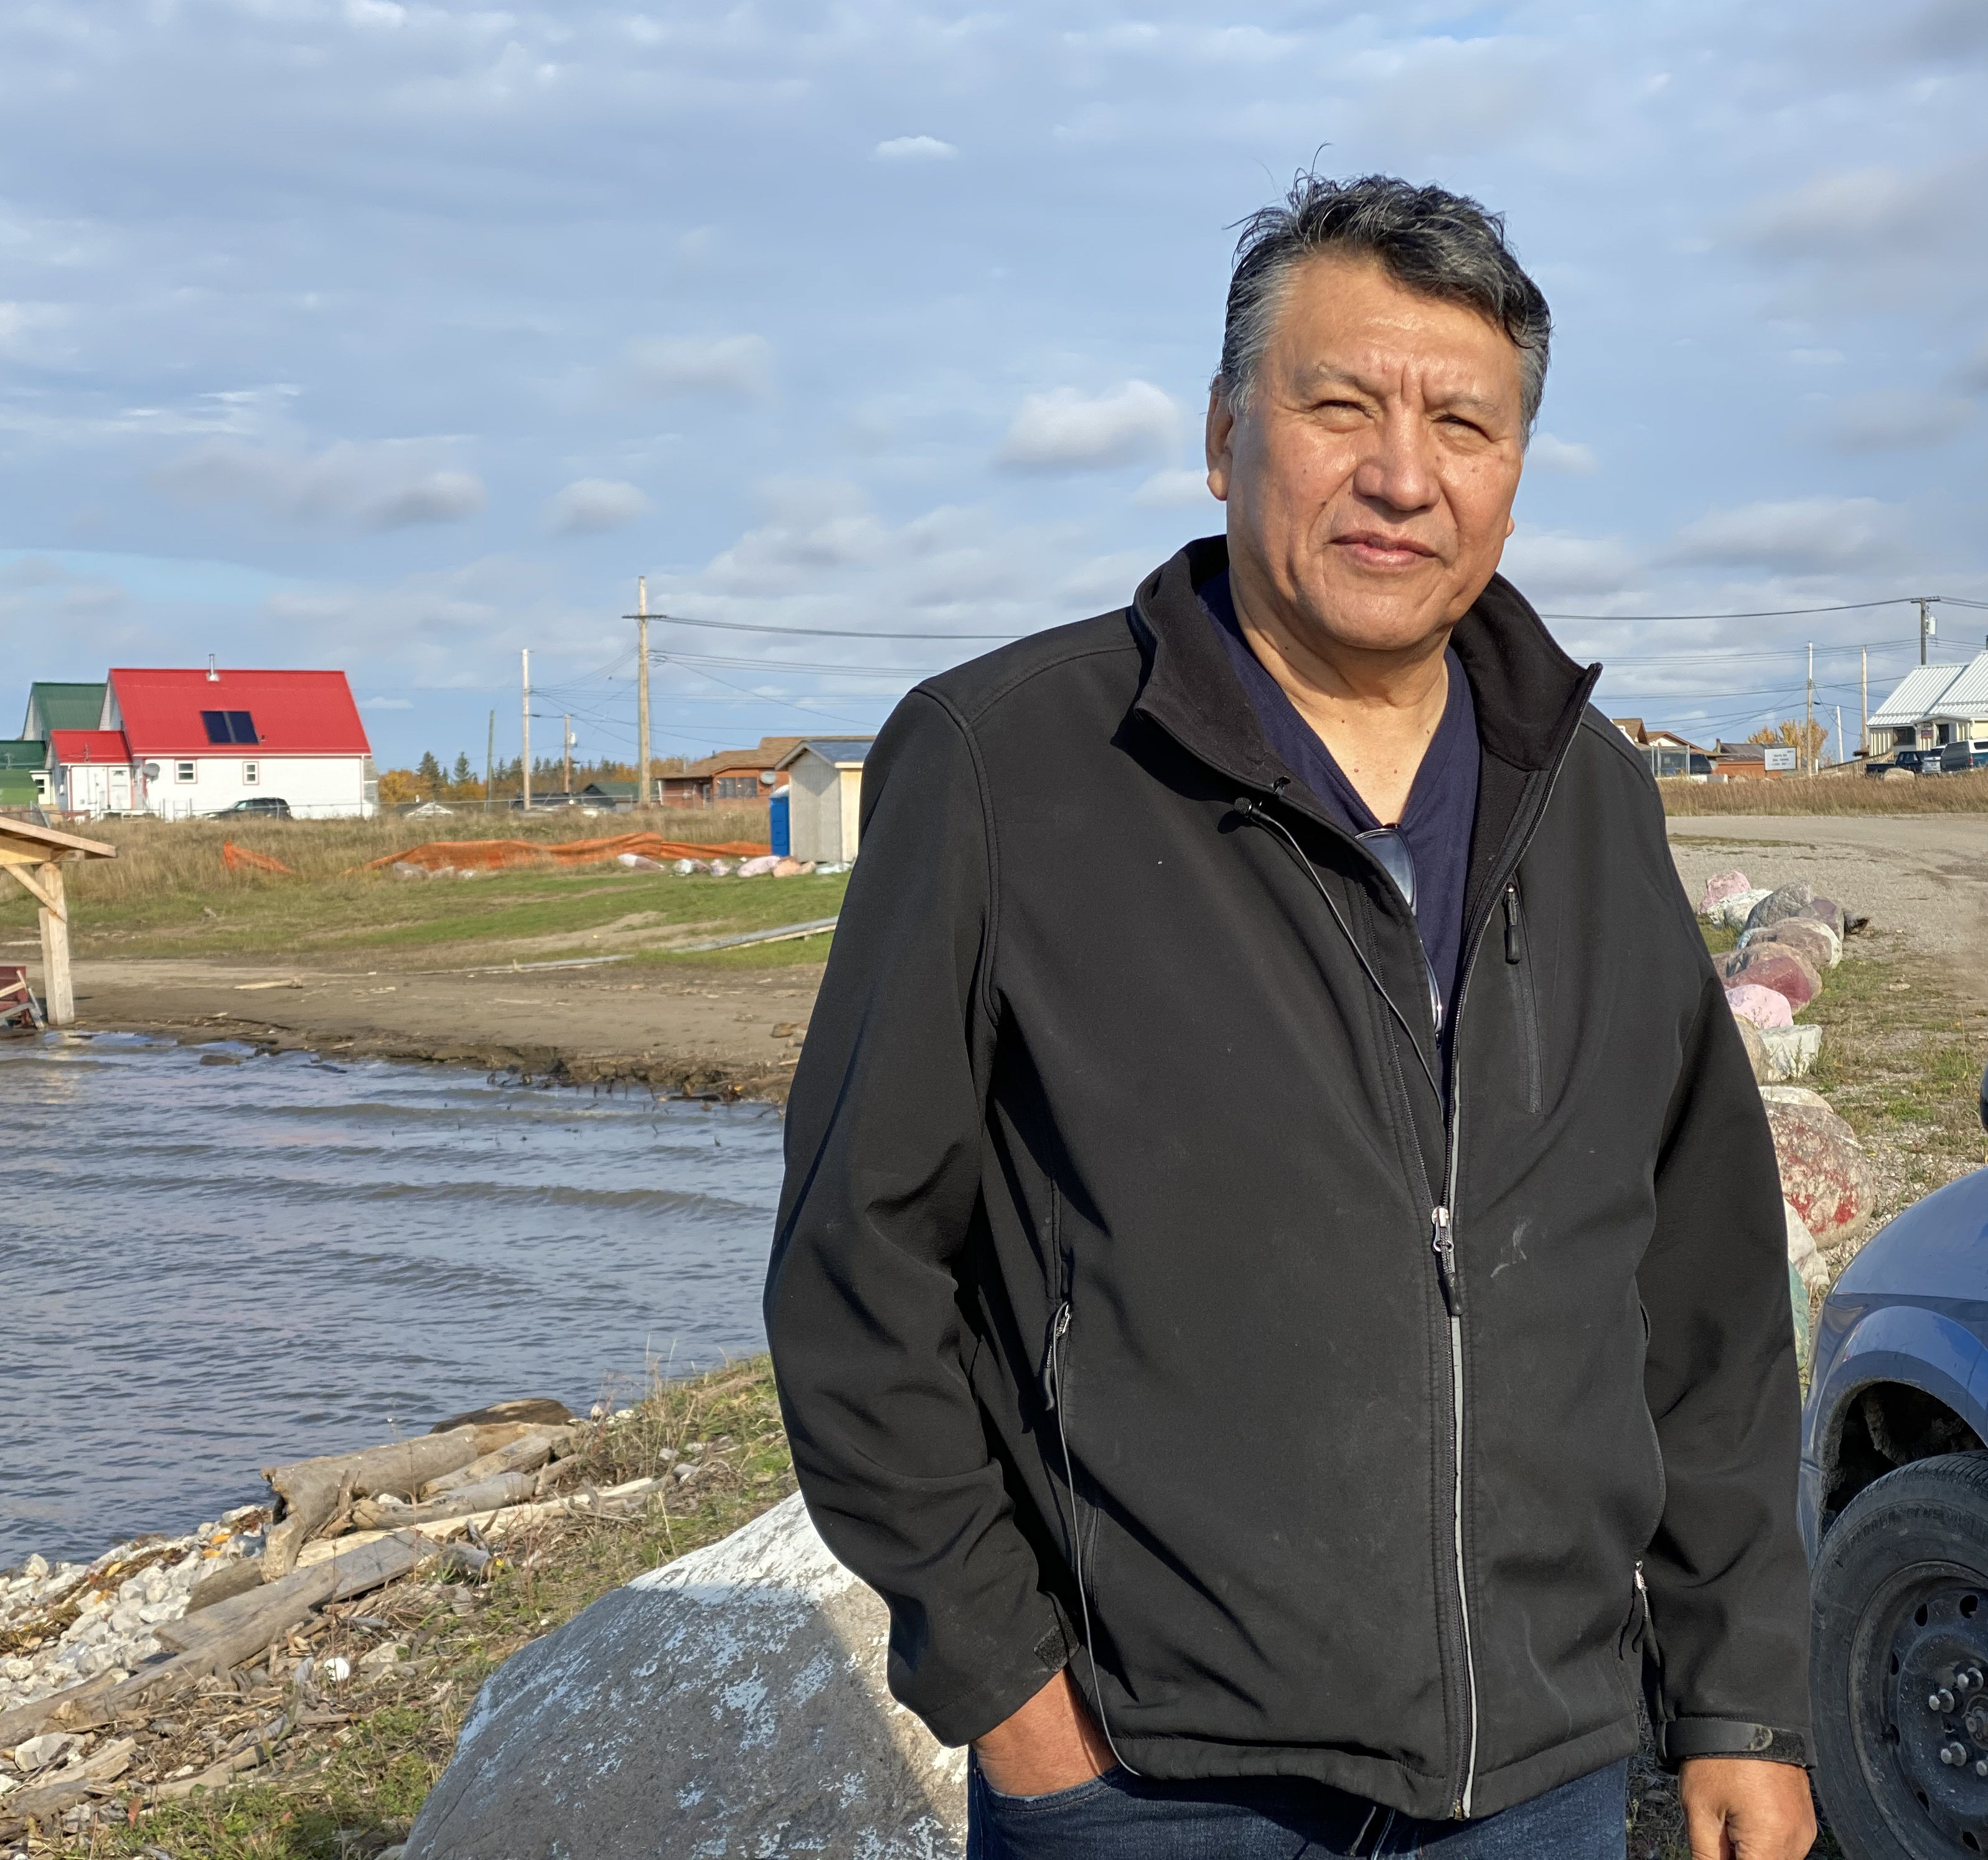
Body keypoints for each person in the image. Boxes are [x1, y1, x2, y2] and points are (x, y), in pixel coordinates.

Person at [766, 174, 1816, 1859]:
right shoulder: (1011, 766)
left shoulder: (1596, 798)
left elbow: (1703, 1287)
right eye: (1341, 405)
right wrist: (1015, 1697)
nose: (1403, 474)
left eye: (1463, 423)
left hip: (1541, 1770)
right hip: (1159, 1783)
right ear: (1222, 435)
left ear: (1514, 478)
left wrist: (1742, 1694)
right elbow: (855, 1269)